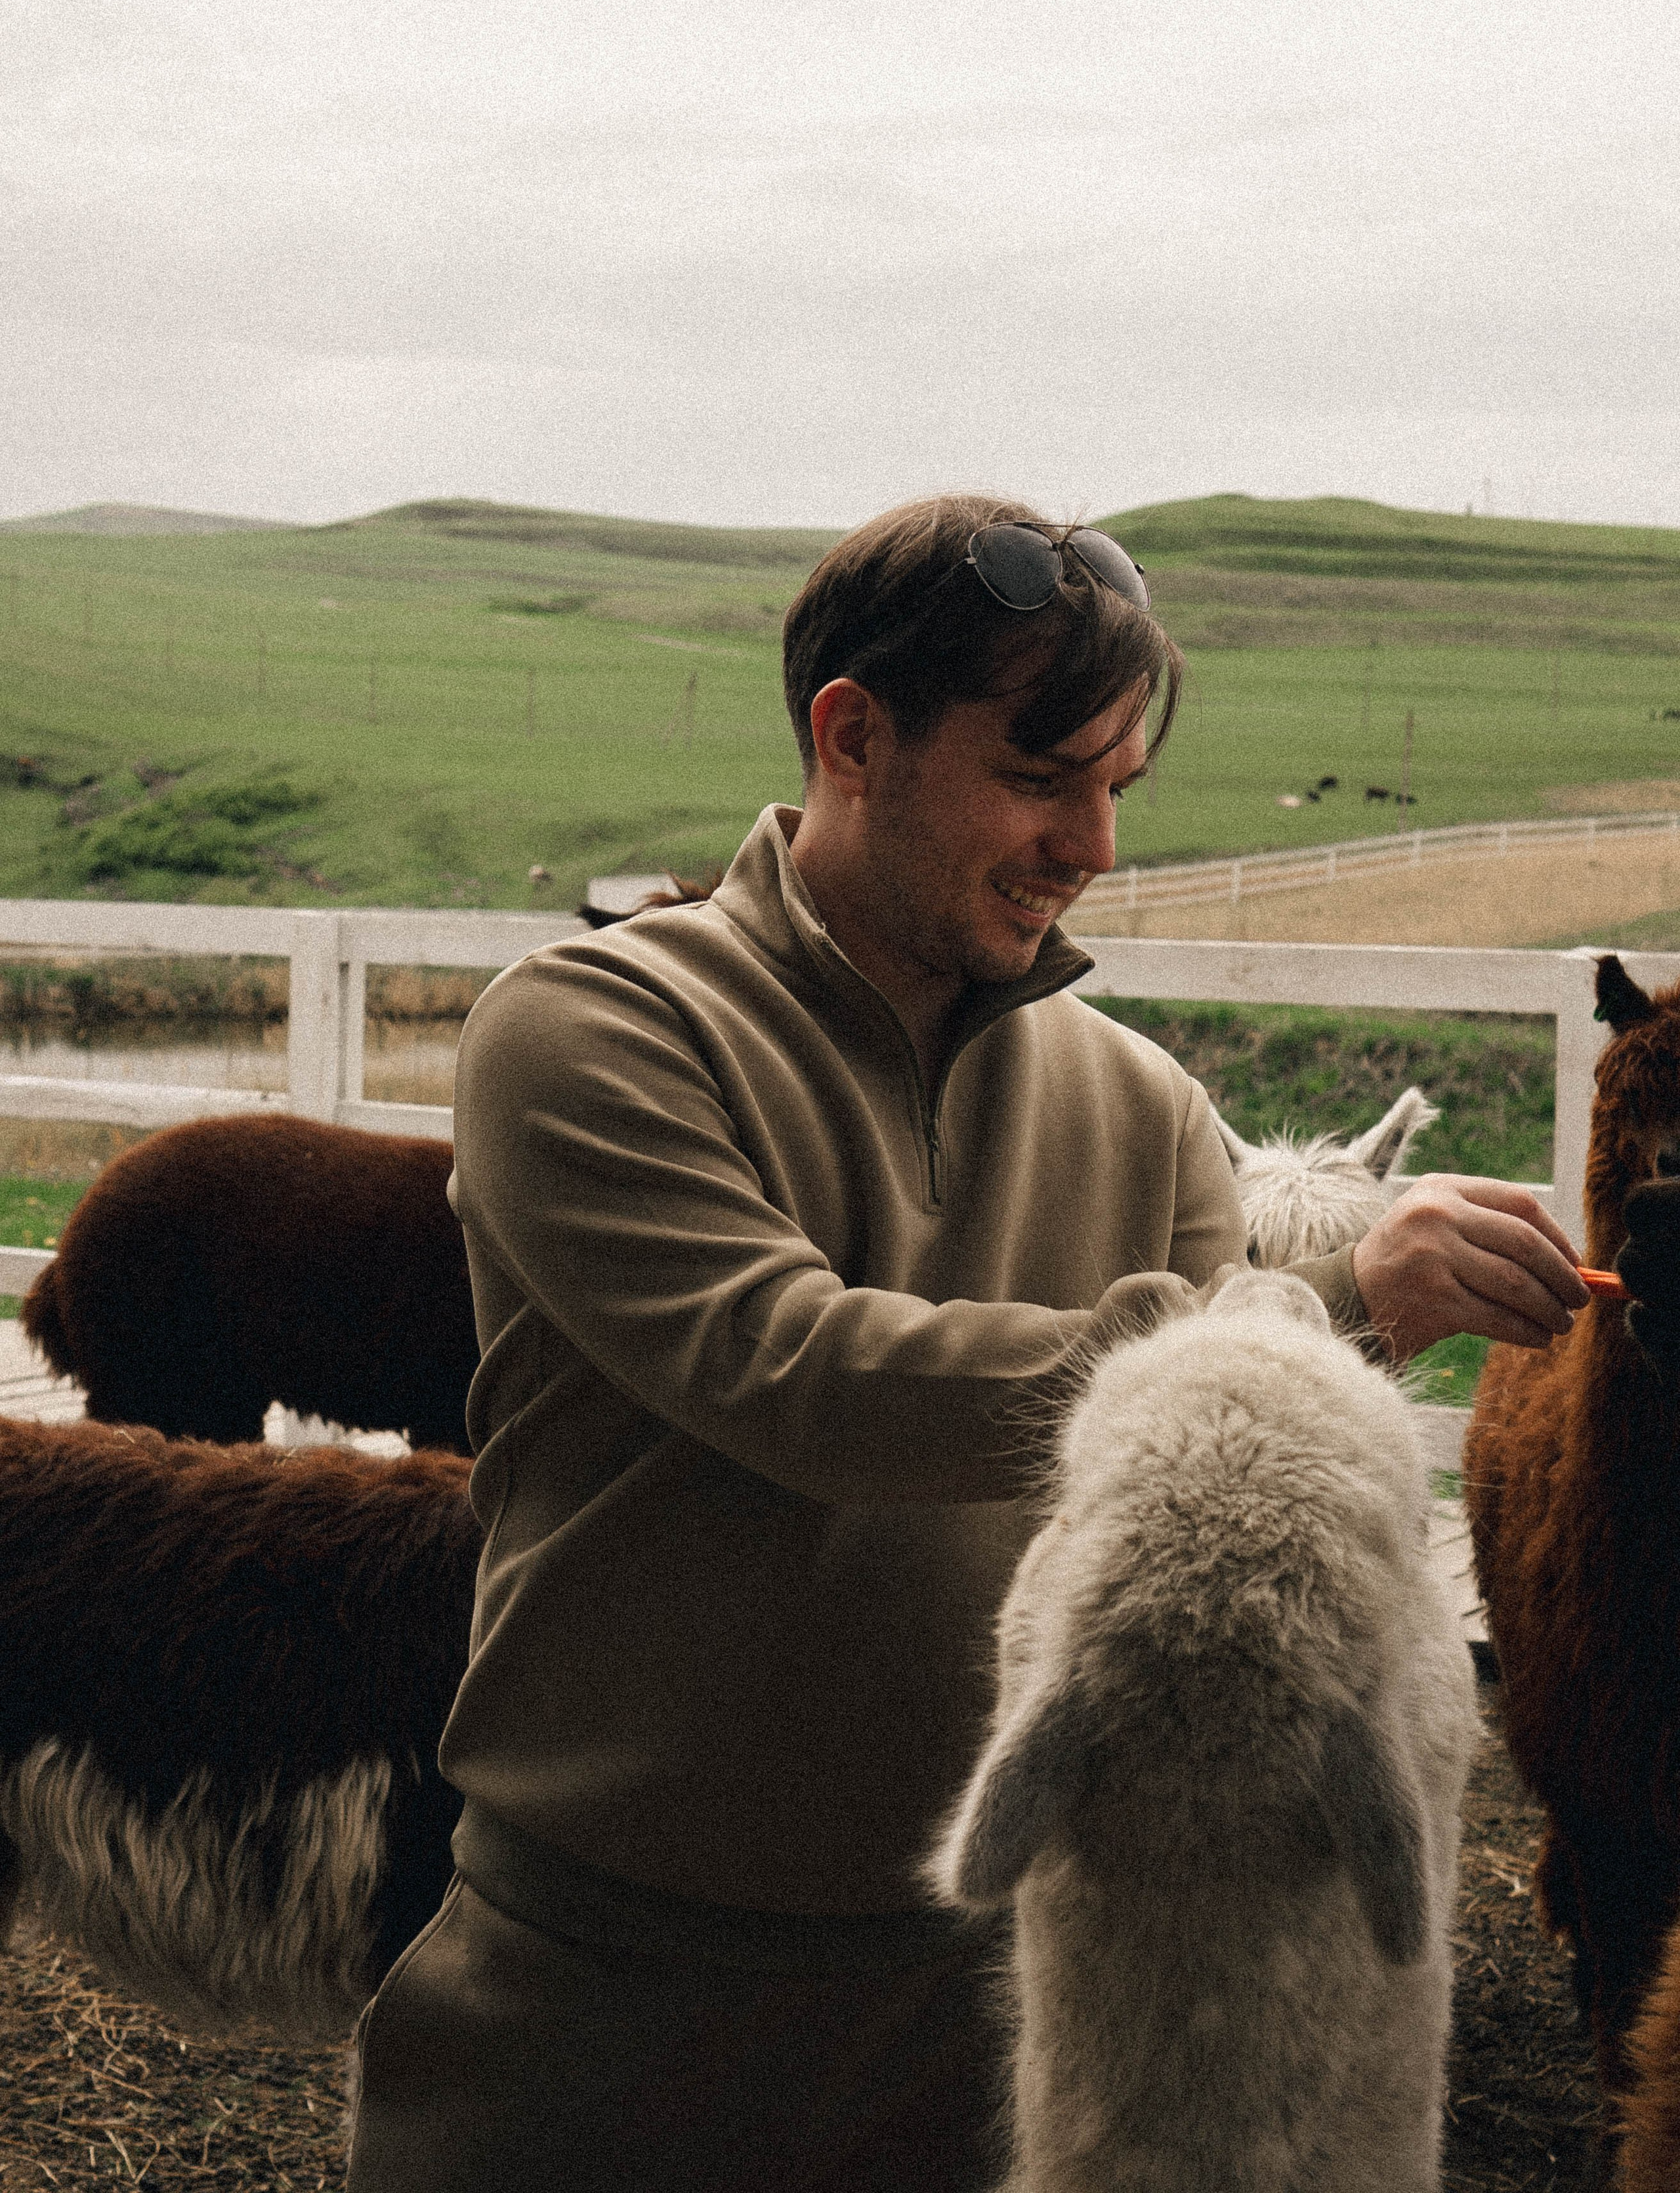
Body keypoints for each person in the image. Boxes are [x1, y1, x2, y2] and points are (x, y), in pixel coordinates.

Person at [346, 494, 1587, 2193]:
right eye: (1038, 773)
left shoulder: (1139, 1102)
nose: (1094, 842)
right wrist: (1329, 1303)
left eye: (1115, 789)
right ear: (853, 736)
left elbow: (1204, 1470)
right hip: (609, 2007)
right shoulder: (592, 1031)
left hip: (997, 2017)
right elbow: (796, 1374)